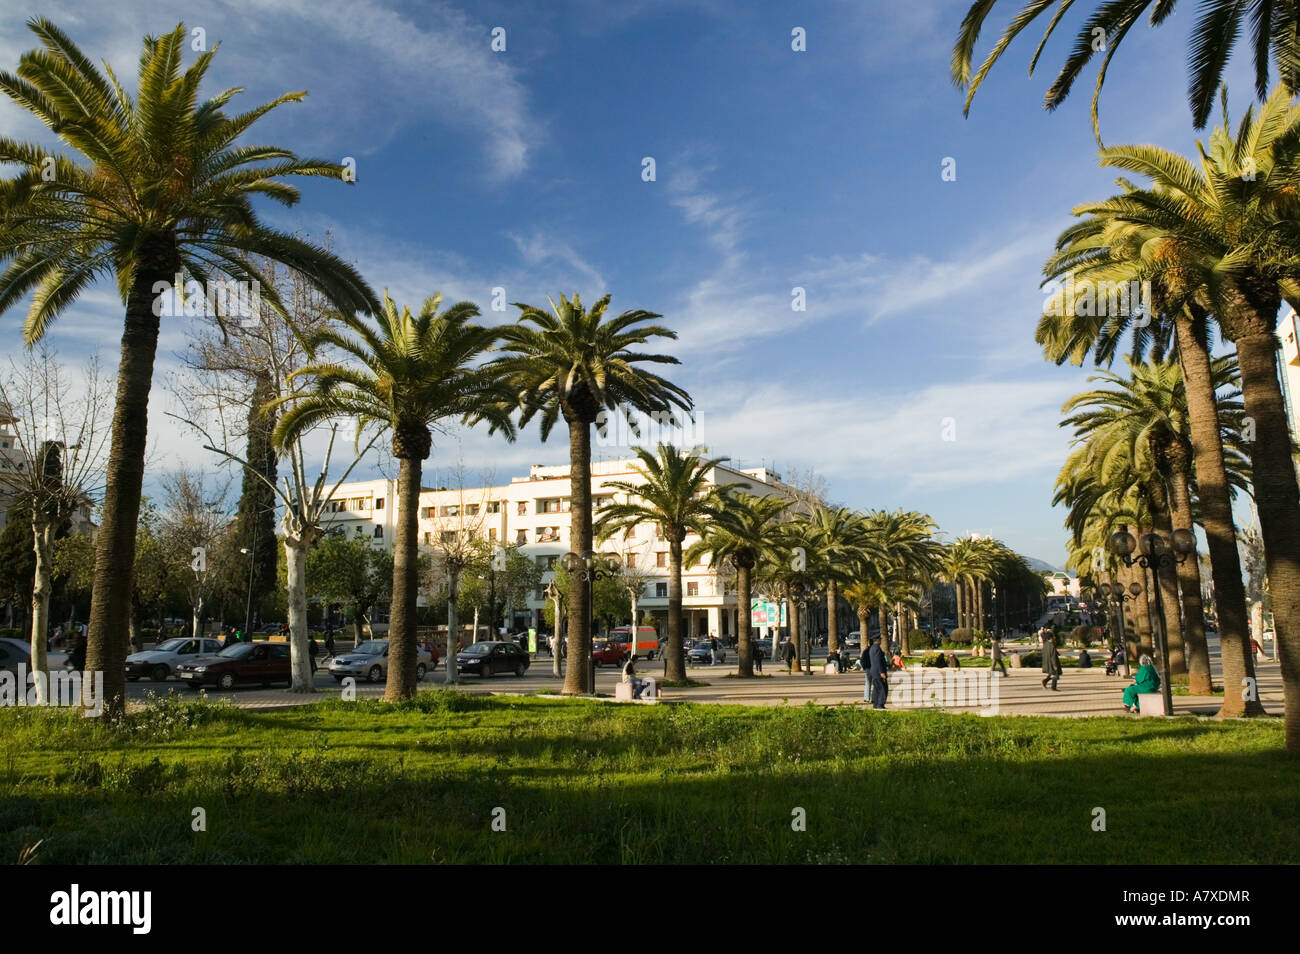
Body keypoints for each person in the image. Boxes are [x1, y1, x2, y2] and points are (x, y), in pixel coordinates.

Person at [866, 634, 889, 709]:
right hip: (878, 672)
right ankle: (880, 704)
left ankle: (875, 703)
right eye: (880, 639)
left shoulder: (872, 648)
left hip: (874, 671)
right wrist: (881, 672)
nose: (881, 641)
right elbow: (877, 661)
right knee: (882, 688)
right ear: (878, 640)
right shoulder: (877, 648)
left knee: (876, 688)